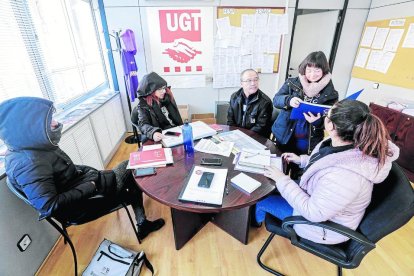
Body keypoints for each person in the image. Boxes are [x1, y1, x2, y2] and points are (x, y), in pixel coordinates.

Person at [0, 97, 164, 242]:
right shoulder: (29, 163)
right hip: (85, 202)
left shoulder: (31, 148)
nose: (56, 123)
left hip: (86, 186)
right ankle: (143, 221)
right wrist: (91, 186)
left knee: (131, 169)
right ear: (30, 127)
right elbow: (48, 205)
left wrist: (88, 177)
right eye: (50, 121)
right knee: (132, 168)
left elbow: (62, 173)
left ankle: (141, 219)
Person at [255, 99, 399, 244]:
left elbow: (313, 213)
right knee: (267, 187)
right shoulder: (346, 143)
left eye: (326, 113)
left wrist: (282, 179)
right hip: (318, 199)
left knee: (260, 199)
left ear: (330, 125)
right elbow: (326, 162)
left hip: (320, 228)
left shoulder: (346, 177)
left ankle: (255, 225)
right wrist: (302, 160)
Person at [272, 51, 338, 155]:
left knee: (300, 165)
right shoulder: (292, 82)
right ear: (304, 69)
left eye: (317, 70)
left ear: (324, 71)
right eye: (309, 70)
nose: (312, 74)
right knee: (280, 161)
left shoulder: (330, 93)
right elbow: (276, 100)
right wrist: (289, 100)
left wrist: (317, 122)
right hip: (284, 133)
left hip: (309, 139)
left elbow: (332, 120)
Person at [136, 72, 183, 142]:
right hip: (160, 134)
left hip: (174, 131)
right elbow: (143, 125)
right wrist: (153, 133)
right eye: (159, 89)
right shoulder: (143, 105)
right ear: (151, 91)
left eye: (164, 88)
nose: (164, 91)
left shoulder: (167, 97)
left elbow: (177, 118)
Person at [227, 69, 273, 137]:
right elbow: (230, 120)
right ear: (241, 83)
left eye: (256, 80)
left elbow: (260, 127)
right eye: (249, 80)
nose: (253, 83)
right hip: (237, 135)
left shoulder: (265, 102)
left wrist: (243, 137)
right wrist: (233, 134)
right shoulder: (234, 97)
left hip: (257, 138)